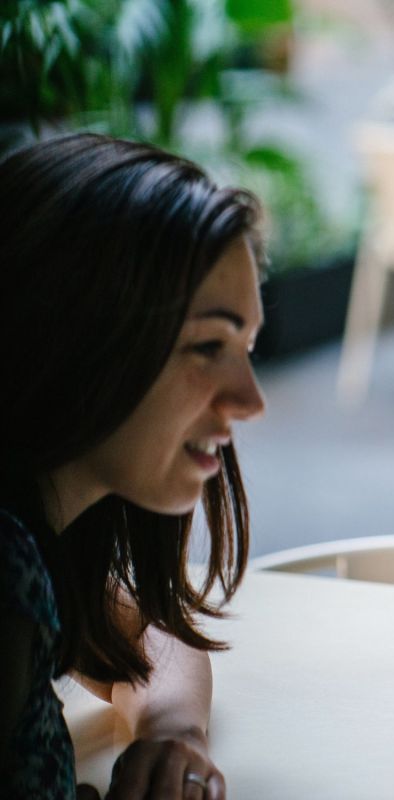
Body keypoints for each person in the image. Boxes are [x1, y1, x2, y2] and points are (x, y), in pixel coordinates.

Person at [0, 133, 266, 798]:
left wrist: (174, 736)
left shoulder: (47, 546)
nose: (251, 401)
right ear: (78, 337)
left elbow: (146, 634)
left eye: (247, 347)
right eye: (208, 345)